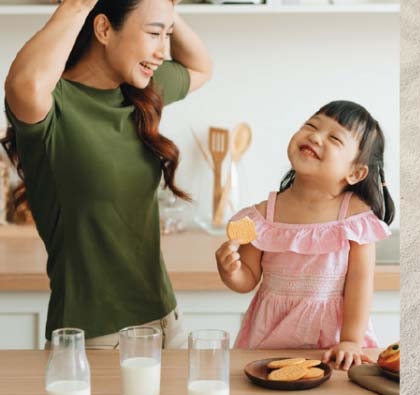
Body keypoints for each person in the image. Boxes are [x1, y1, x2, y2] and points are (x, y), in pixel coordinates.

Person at [2, 0, 212, 348]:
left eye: (168, 34)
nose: (163, 51)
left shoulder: (141, 91)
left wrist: (164, 9)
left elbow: (202, 68)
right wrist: (77, 5)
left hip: (167, 323)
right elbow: (24, 83)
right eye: (154, 33)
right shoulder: (53, 104)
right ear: (102, 29)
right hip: (96, 337)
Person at [215, 100, 394, 371]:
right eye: (311, 126)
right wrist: (230, 271)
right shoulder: (263, 216)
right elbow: (247, 279)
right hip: (267, 344)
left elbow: (361, 283)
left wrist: (350, 341)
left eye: (334, 137)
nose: (315, 136)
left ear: (355, 172)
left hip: (333, 350)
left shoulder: (354, 218)